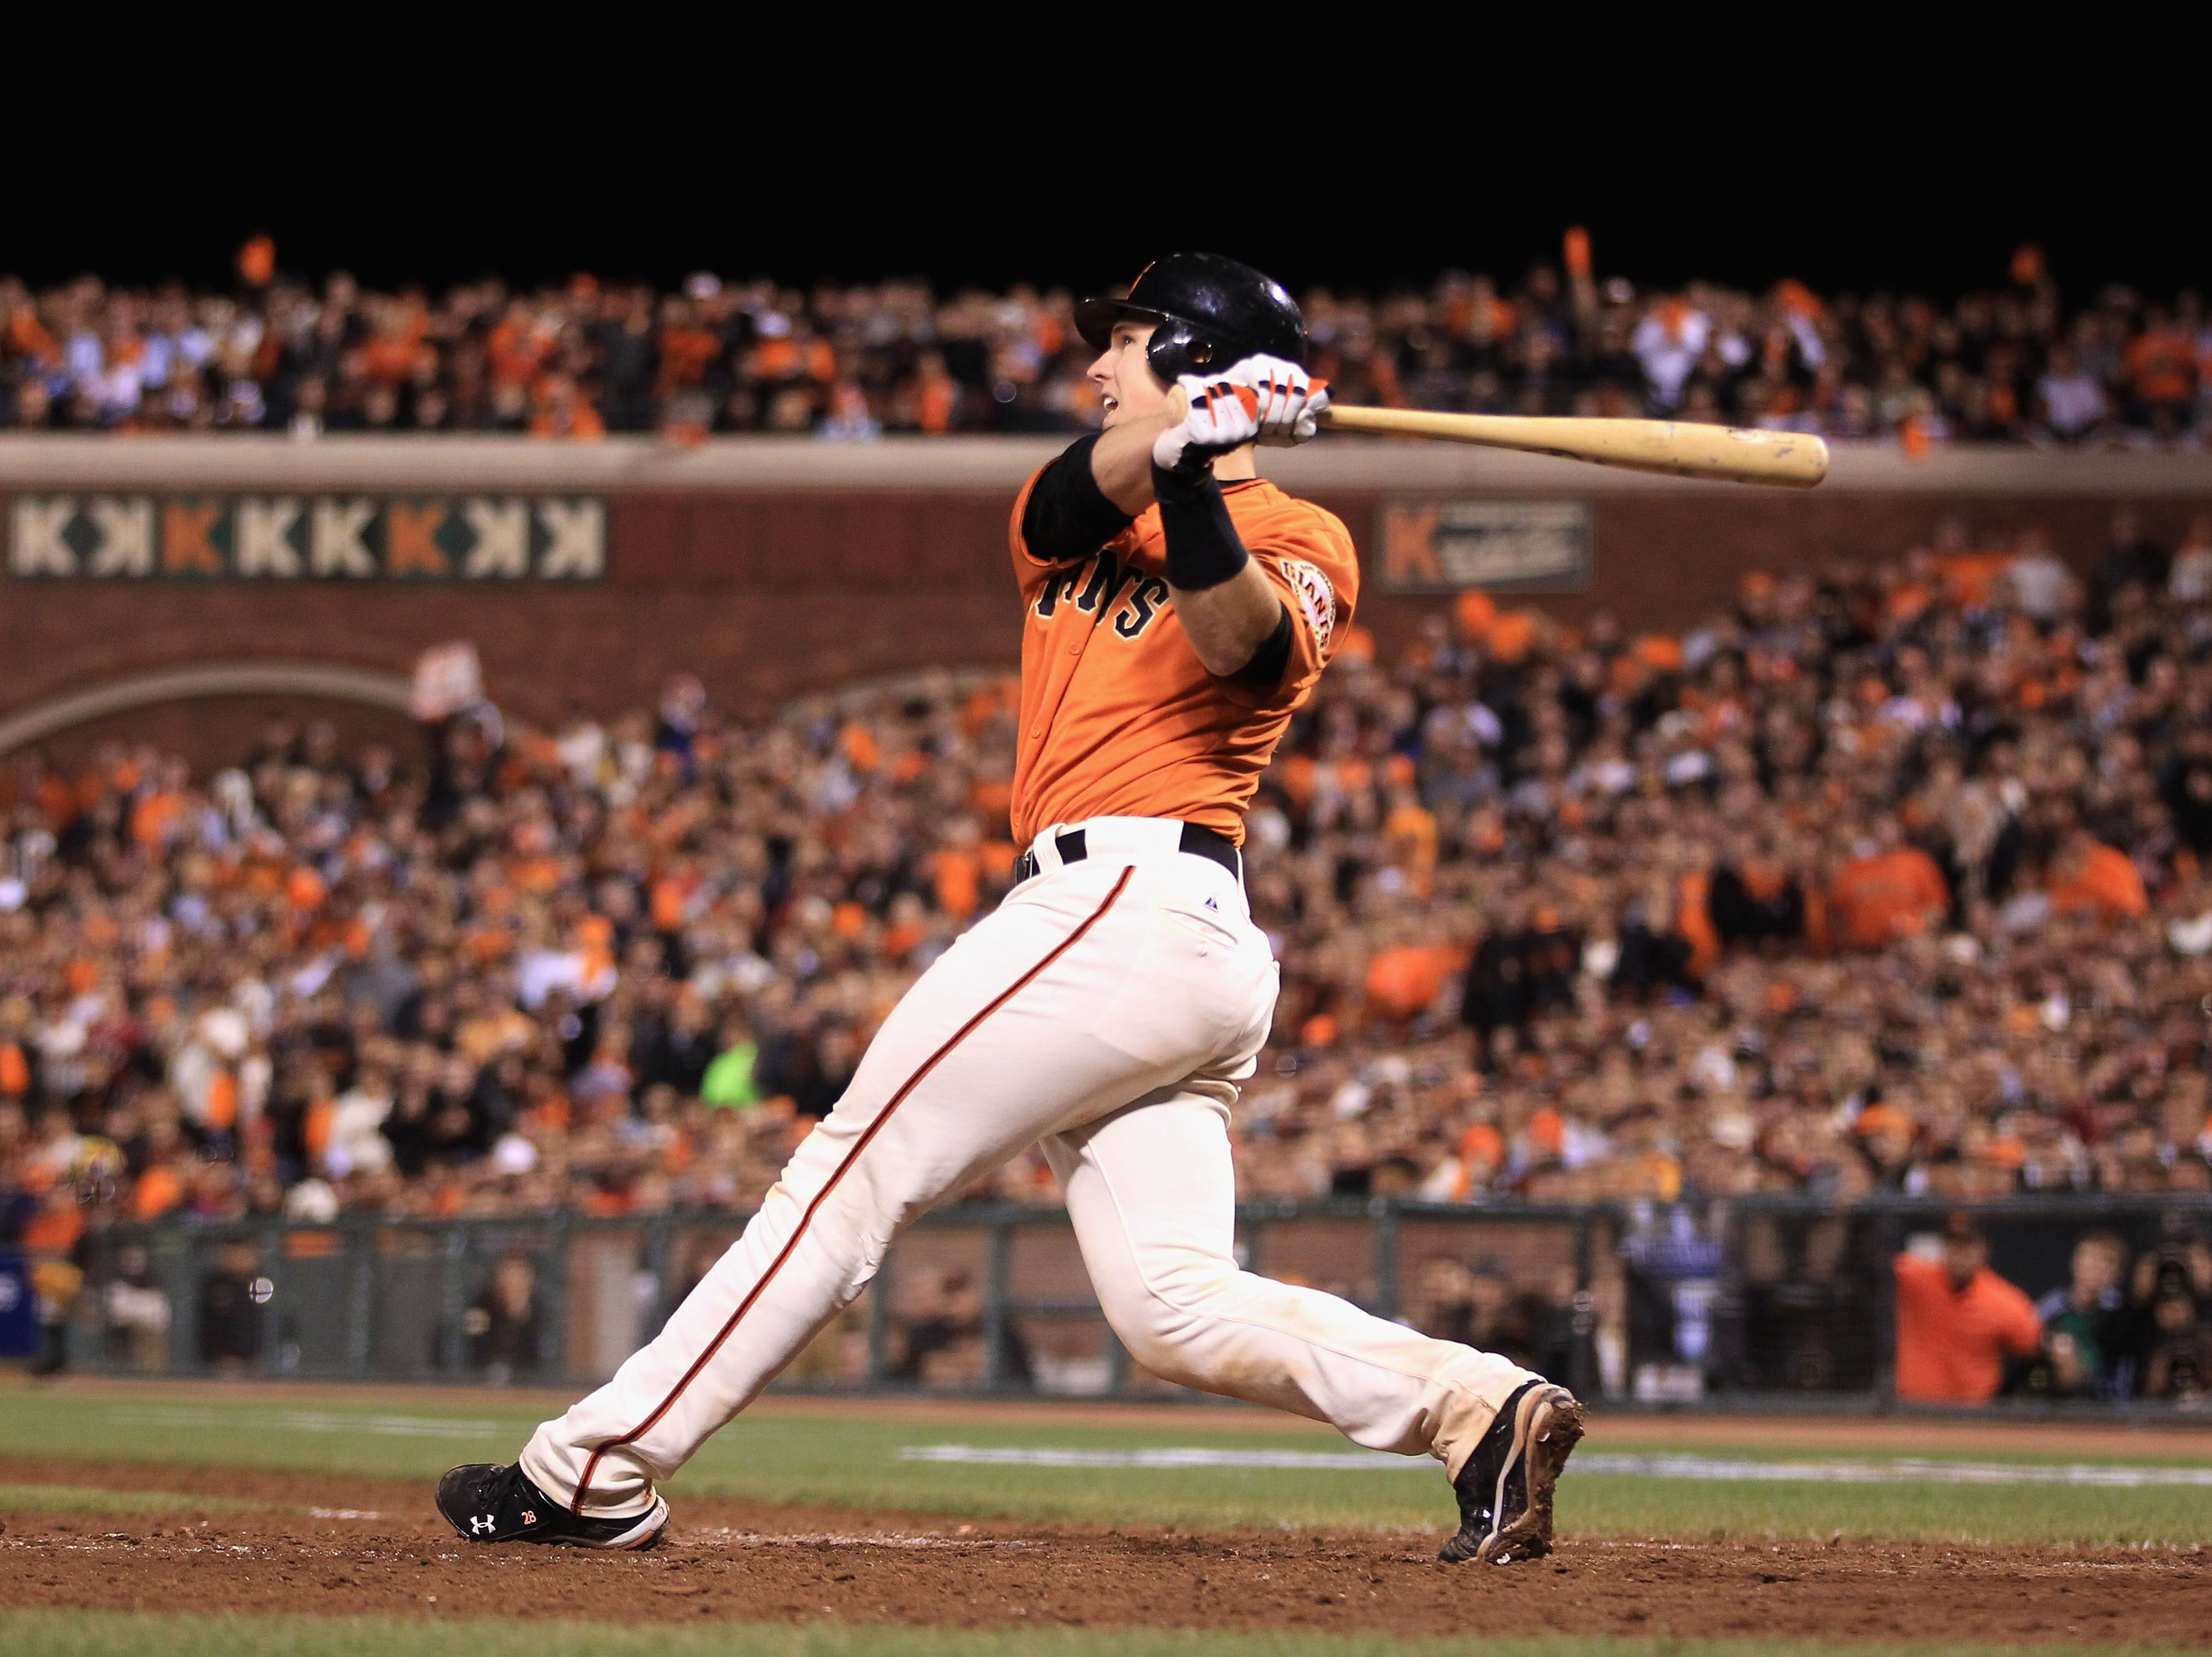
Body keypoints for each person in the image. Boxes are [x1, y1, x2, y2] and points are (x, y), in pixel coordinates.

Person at [436, 252, 1580, 1566]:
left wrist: (1200, 471)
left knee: (852, 1173)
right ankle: (1476, 1406)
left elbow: (1245, 647)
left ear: (1197, 353)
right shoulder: (1079, 508)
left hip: (1141, 900)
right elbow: (1066, 494)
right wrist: (1183, 436)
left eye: (1128, 342)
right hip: (1138, 933)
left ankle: (592, 1470)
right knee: (1172, 1306)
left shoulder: (1307, 535)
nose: (1096, 365)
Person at [1892, 1212, 2040, 1402]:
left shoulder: (2005, 1302)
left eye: (1968, 1244)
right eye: (1954, 1243)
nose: (1960, 1253)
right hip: (1912, 1410)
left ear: (1983, 1249)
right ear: (1943, 1247)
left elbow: (2033, 1347)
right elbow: (1871, 1265)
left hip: (1974, 1415)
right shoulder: (1914, 1279)